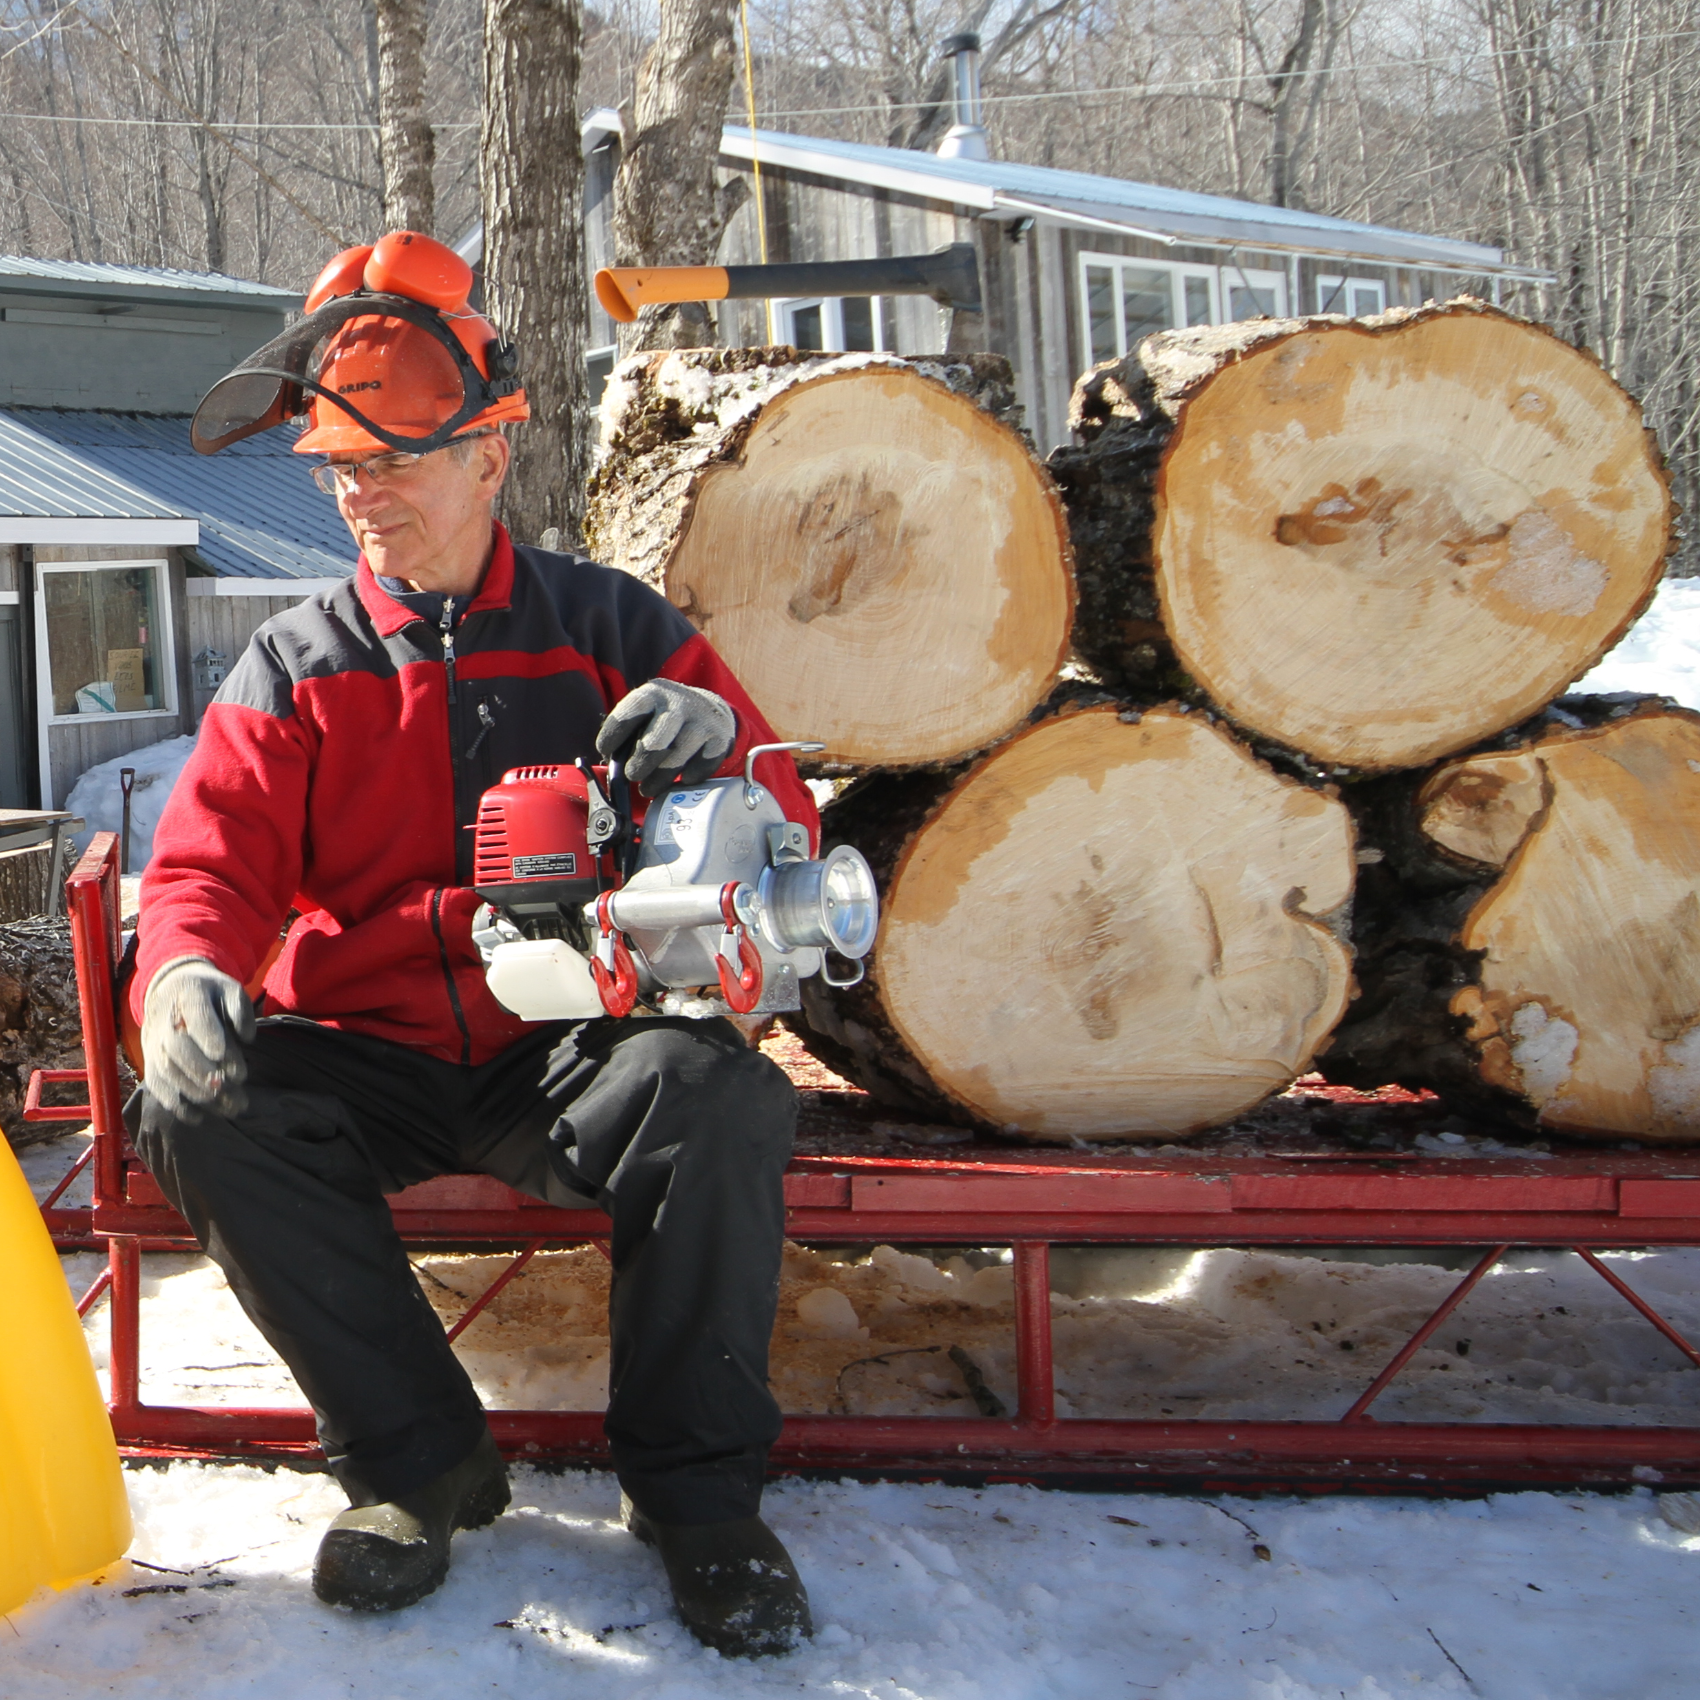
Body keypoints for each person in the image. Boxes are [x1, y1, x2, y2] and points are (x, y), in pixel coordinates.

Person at [130, 231, 818, 1656]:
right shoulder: (296, 664)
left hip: (563, 1044)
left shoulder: (608, 626)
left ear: (490, 455)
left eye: (393, 463)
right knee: (197, 1114)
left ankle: (699, 1502)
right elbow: (208, 865)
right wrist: (186, 972)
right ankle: (415, 1463)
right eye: (340, 470)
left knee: (720, 1098)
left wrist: (719, 755)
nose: (361, 495)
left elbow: (777, 814)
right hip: (365, 1047)